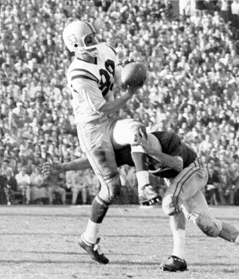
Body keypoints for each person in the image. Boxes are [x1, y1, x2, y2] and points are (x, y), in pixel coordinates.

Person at [43, 130, 239, 271]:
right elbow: (101, 159)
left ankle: (179, 257)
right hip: (178, 180)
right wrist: (63, 167)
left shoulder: (169, 140)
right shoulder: (134, 151)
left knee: (169, 201)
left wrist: (152, 152)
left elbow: (176, 164)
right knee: (209, 227)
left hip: (194, 171)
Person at [61, 20, 160, 264]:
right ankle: (88, 238)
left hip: (111, 121)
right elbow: (104, 106)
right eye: (88, 41)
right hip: (92, 129)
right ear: (74, 46)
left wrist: (129, 75)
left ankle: (144, 187)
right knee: (111, 188)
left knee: (137, 130)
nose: (94, 43)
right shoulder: (77, 74)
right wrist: (129, 93)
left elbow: (116, 77)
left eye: (93, 37)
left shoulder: (105, 51)